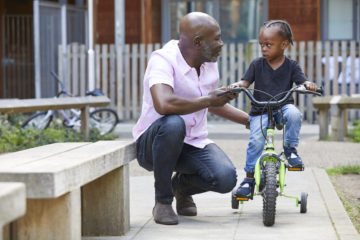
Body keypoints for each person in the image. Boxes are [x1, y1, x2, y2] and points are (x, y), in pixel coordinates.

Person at [132, 12, 249, 225]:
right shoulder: (163, 59)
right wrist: (208, 100)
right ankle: (163, 202)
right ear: (198, 42)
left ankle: (180, 188)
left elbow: (212, 103)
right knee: (174, 123)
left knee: (225, 178)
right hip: (154, 144)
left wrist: (248, 121)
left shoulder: (208, 62)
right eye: (217, 39)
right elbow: (164, 104)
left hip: (192, 142)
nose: (221, 44)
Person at [230, 20, 318, 198]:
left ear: (284, 44)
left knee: (294, 113)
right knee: (255, 142)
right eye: (261, 44)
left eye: (268, 45)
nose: (263, 49)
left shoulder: (292, 66)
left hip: (282, 107)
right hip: (260, 110)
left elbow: (302, 81)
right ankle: (249, 179)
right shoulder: (257, 64)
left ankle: (290, 150)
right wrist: (237, 85)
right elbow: (245, 82)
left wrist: (307, 84)